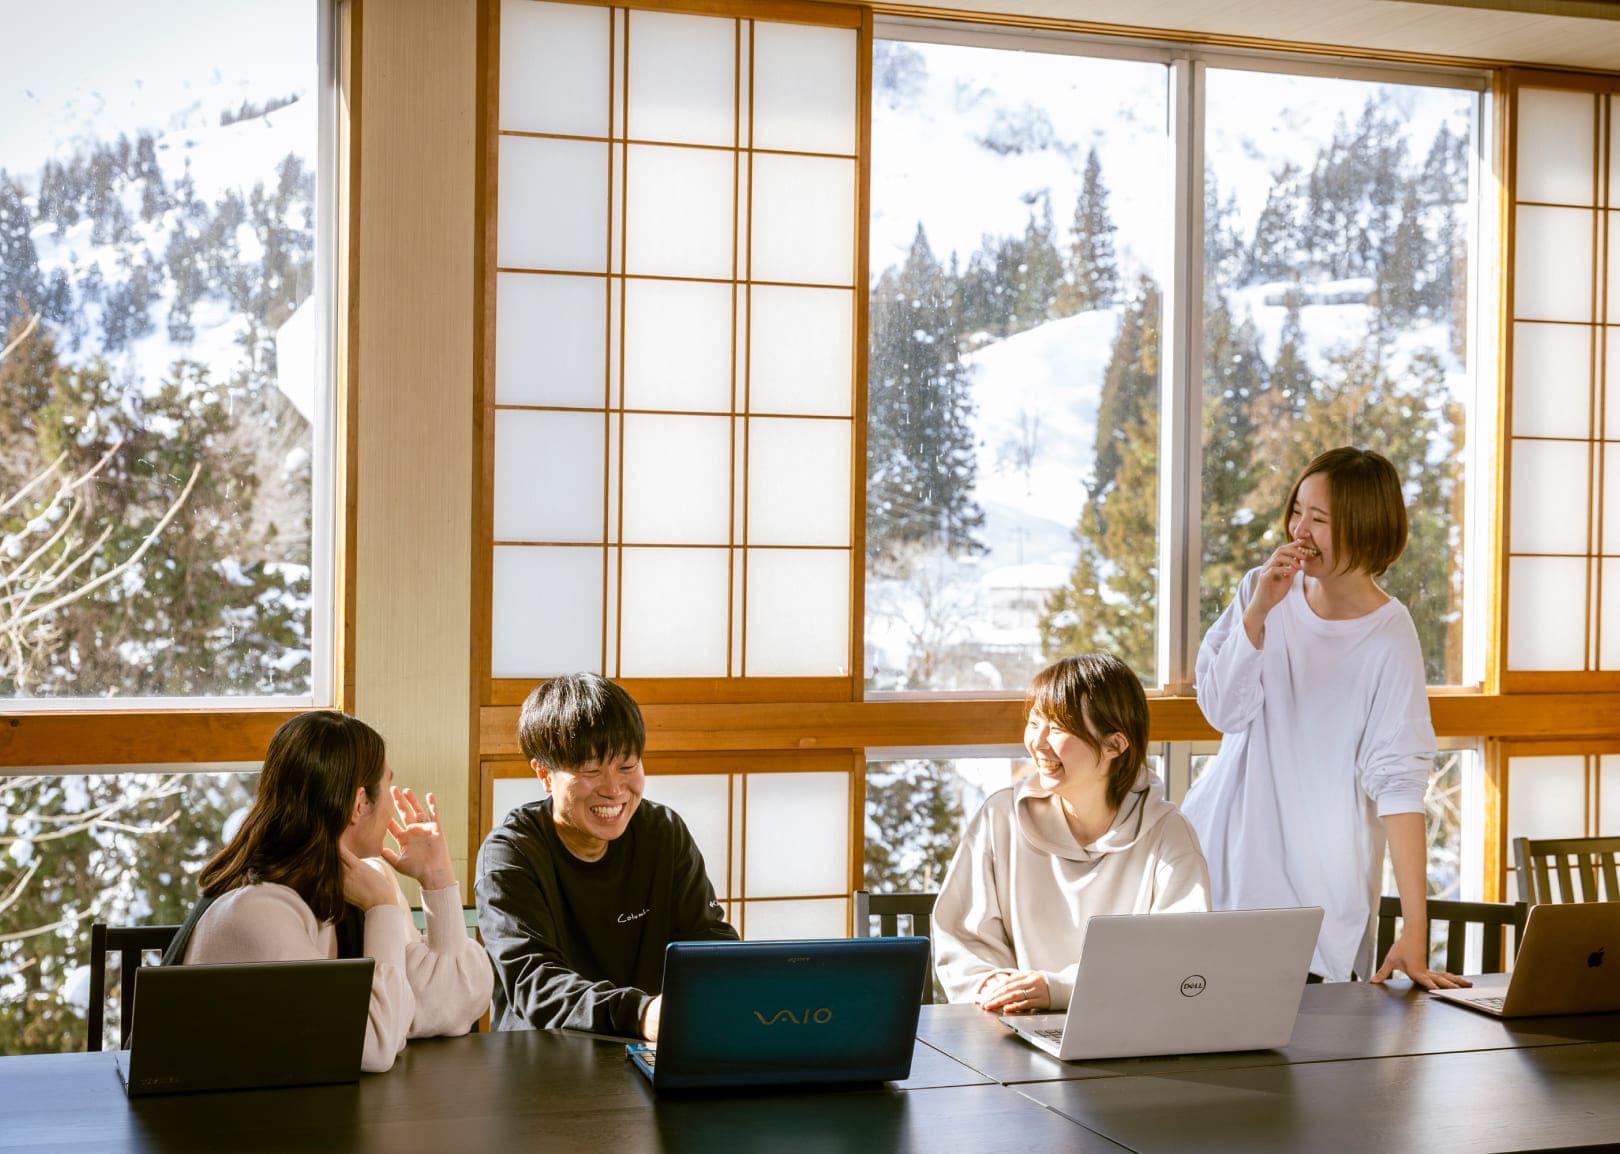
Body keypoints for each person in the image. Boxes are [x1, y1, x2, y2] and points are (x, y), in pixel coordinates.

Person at [1182, 446, 1469, 990]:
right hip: (1224, 869)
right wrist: (1259, 612)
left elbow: (1400, 786)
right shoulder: (1261, 590)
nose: (1299, 530)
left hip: (1318, 899)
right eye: (1296, 511)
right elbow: (1224, 710)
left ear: (1365, 529)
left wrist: (1415, 926)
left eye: (1320, 519)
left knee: (1306, 1066)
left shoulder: (1389, 634)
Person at [167, 710, 493, 1073]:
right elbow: (374, 1046)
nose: (392, 807)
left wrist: (437, 881)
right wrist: (383, 907)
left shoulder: (358, 884)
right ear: (359, 805)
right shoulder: (257, 910)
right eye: (387, 786)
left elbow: (450, 1004)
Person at [932, 653, 1209, 1013]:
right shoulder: (1001, 817)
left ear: (1115, 745)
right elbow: (963, 936)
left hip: (1128, 1032)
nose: (1038, 742)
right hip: (1014, 1030)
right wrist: (997, 985)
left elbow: (1180, 959)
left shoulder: (1167, 833)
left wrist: (1058, 988)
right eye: (1034, 723)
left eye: (1059, 728)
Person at [475, 673, 737, 1038]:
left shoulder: (662, 831)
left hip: (649, 1051)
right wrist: (642, 1014)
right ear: (545, 775)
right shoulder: (512, 853)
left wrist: (739, 986)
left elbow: (705, 937)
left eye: (627, 766)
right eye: (590, 770)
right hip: (543, 1064)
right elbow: (534, 983)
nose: (614, 790)